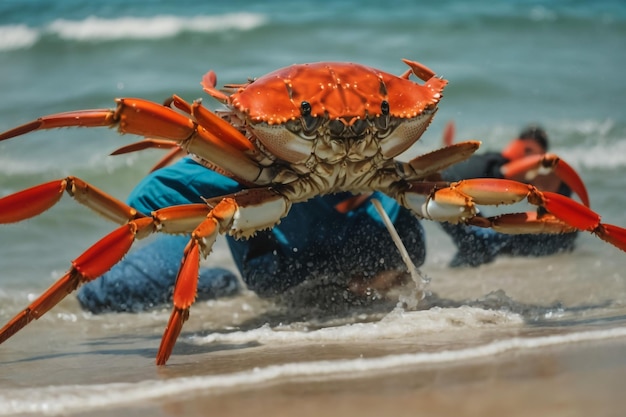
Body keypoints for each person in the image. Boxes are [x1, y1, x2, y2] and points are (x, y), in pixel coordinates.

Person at [77, 156, 426, 313]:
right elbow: (143, 200)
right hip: (243, 254)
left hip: (301, 256)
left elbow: (443, 189)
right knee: (100, 294)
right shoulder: (256, 167)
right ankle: (221, 282)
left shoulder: (389, 214)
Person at [439, 125, 578, 268]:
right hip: (551, 233)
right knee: (479, 244)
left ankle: (453, 273)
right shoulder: (515, 166)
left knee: (479, 244)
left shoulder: (542, 170)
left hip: (553, 232)